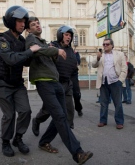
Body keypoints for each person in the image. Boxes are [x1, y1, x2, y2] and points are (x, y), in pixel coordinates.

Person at [26, 17, 93, 165]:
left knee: (62, 117)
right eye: (33, 24)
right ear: (28, 29)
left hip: (57, 83)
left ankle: (44, 141)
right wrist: (55, 50)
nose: (37, 25)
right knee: (60, 117)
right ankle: (78, 153)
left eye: (38, 23)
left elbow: (68, 68)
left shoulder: (43, 42)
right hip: (45, 83)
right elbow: (35, 52)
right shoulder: (31, 40)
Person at [0, 6, 40, 157]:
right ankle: (6, 141)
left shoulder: (22, 41)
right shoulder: (1, 40)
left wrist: (42, 51)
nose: (22, 24)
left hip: (17, 84)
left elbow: (25, 62)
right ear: (11, 22)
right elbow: (11, 59)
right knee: (9, 115)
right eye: (19, 21)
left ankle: (18, 138)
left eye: (24, 21)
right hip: (2, 84)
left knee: (25, 111)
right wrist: (30, 51)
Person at [32, 24, 78, 136]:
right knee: (48, 110)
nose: (69, 38)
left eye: (70, 36)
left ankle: (67, 131)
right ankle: (37, 120)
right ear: (60, 35)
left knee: (69, 109)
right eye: (66, 35)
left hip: (67, 84)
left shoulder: (71, 50)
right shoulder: (52, 46)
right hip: (55, 84)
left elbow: (73, 67)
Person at [92, 38, 127, 129]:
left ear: (112, 45)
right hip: (104, 82)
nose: (105, 46)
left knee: (118, 103)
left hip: (115, 82)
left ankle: (119, 122)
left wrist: (120, 80)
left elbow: (124, 68)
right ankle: (103, 120)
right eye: (104, 44)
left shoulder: (119, 54)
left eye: (107, 44)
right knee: (103, 103)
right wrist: (97, 58)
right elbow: (93, 65)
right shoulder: (101, 55)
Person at [71, 50, 83, 116]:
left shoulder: (75, 52)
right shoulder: (60, 50)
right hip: (63, 75)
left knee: (76, 94)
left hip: (73, 75)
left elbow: (78, 62)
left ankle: (78, 109)